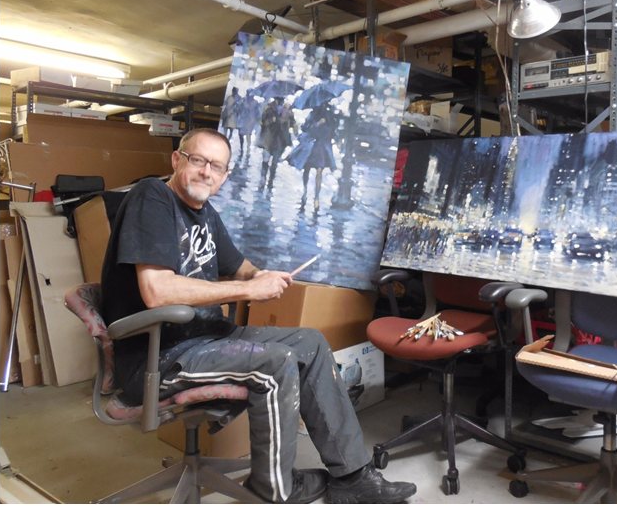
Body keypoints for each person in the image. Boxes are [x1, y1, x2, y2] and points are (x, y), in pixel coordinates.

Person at [100, 128, 416, 504]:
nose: (206, 172)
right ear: (176, 159)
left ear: (225, 175)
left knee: (310, 343)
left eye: (216, 166)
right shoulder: (151, 197)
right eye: (198, 160)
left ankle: (353, 477)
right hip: (159, 358)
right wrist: (248, 290)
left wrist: (261, 276)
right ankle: (274, 490)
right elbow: (157, 290)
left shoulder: (205, 214)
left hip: (207, 339)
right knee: (277, 362)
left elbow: (240, 267)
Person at [284, 101, 339, 212]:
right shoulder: (313, 114)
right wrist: (317, 124)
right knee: (307, 170)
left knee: (319, 171)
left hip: (322, 146)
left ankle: (316, 197)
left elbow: (333, 130)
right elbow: (305, 128)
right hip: (312, 145)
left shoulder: (330, 115)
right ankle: (305, 192)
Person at [258, 98, 297, 189]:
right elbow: (262, 122)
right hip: (269, 138)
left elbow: (293, 123)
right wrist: (271, 120)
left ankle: (270, 181)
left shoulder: (287, 110)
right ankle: (263, 179)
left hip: (280, 139)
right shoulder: (269, 108)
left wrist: (287, 120)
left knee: (275, 161)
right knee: (266, 159)